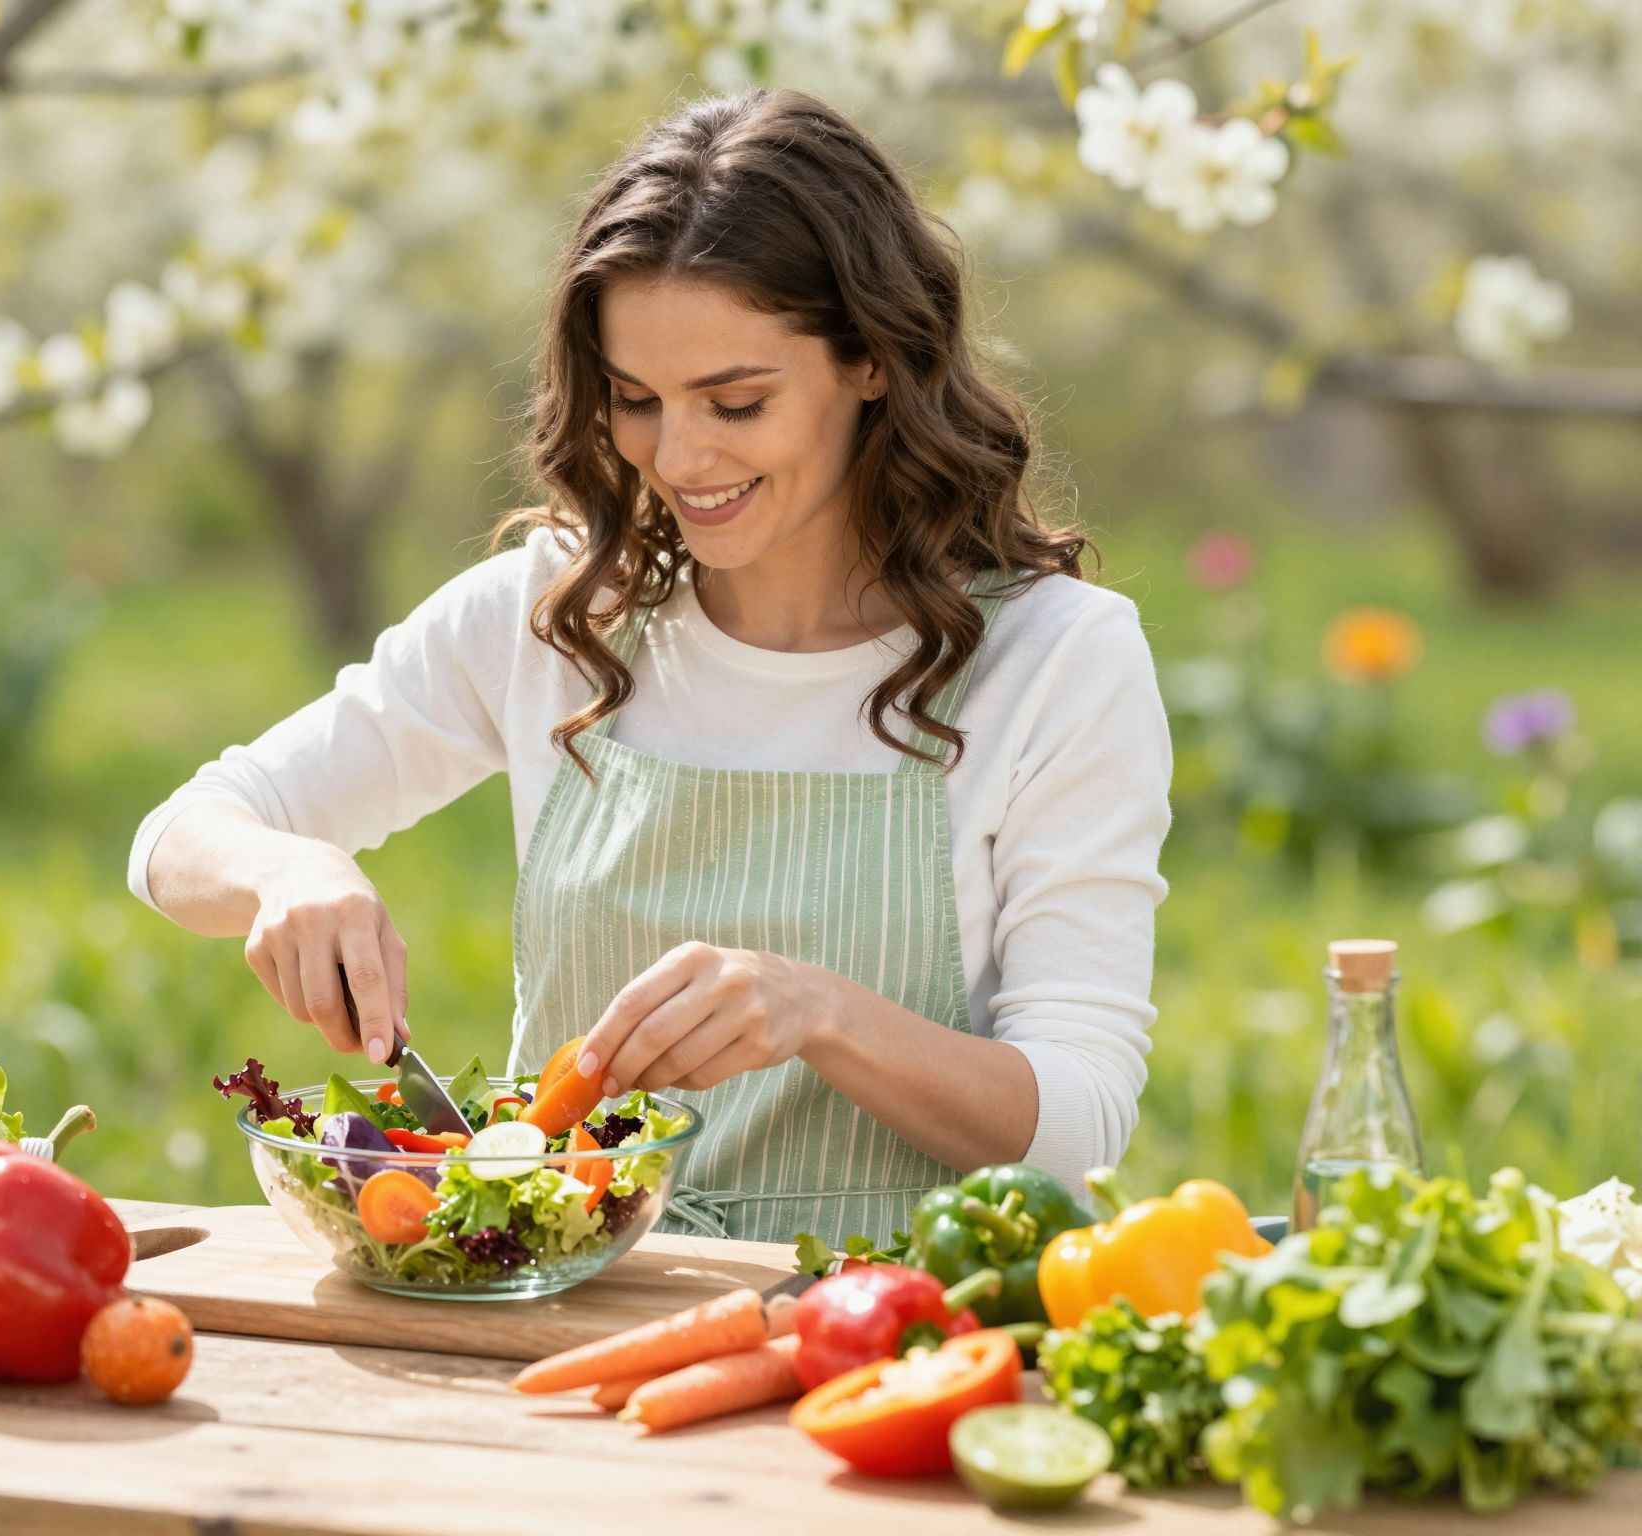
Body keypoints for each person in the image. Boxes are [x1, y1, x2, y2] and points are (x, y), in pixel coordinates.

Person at [130, 87, 1172, 1245]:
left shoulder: (1052, 661)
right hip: (562, 1322)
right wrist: (283, 868)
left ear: (873, 359)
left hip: (896, 1335)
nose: (678, 456)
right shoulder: (557, 614)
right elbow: (180, 836)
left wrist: (818, 1012)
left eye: (736, 400)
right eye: (635, 401)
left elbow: (1079, 1115)